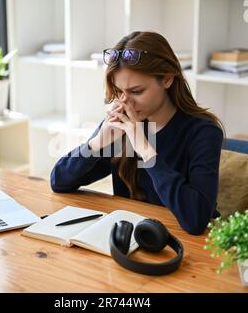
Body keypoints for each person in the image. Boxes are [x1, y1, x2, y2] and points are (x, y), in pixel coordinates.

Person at [50, 31, 224, 235]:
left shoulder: (203, 132)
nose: (125, 102)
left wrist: (145, 149)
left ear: (167, 79)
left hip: (185, 245)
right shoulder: (123, 123)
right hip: (133, 236)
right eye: (119, 91)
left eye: (137, 91)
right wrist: (96, 144)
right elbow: (59, 182)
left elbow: (195, 219)